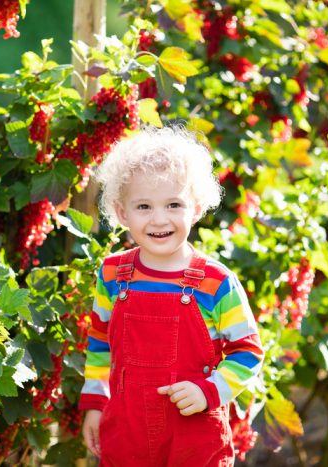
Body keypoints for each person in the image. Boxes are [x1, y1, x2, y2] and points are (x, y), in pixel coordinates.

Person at [79, 126, 264, 466]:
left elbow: (248, 352)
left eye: (174, 204)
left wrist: (209, 391)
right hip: (127, 432)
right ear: (122, 212)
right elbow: (100, 343)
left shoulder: (215, 282)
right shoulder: (112, 275)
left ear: (195, 208)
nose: (159, 219)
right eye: (144, 206)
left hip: (192, 436)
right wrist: (95, 404)